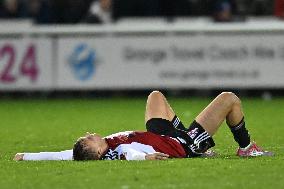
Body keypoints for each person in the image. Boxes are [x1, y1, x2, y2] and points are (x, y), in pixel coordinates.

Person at [14, 91, 273, 161]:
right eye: (88, 140)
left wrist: (26, 156)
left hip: (160, 135)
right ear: (97, 151)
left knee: (155, 97)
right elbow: (131, 154)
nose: (89, 135)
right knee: (229, 99)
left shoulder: (100, 150)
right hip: (181, 145)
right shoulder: (118, 152)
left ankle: (186, 135)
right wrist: (143, 159)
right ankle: (246, 147)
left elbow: (63, 155)